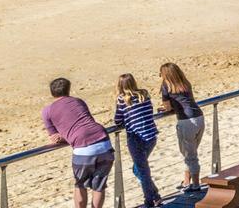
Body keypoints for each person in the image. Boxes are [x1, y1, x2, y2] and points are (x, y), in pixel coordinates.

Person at [43, 77, 115, 208]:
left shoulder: (47, 111)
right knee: (98, 186)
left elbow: (55, 137)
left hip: (83, 149)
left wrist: (65, 136)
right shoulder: (78, 101)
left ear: (52, 93)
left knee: (80, 185)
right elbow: (86, 121)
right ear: (68, 90)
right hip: (103, 141)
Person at [114, 74, 162, 207]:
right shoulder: (144, 94)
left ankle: (149, 200)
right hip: (151, 136)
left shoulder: (122, 99)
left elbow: (117, 120)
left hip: (136, 138)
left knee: (141, 170)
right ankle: (155, 195)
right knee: (139, 169)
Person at [158, 63, 204, 193]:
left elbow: (167, 106)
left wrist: (166, 108)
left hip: (186, 121)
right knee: (189, 153)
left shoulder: (166, 86)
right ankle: (186, 182)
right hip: (199, 117)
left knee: (190, 155)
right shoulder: (185, 83)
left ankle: (195, 185)